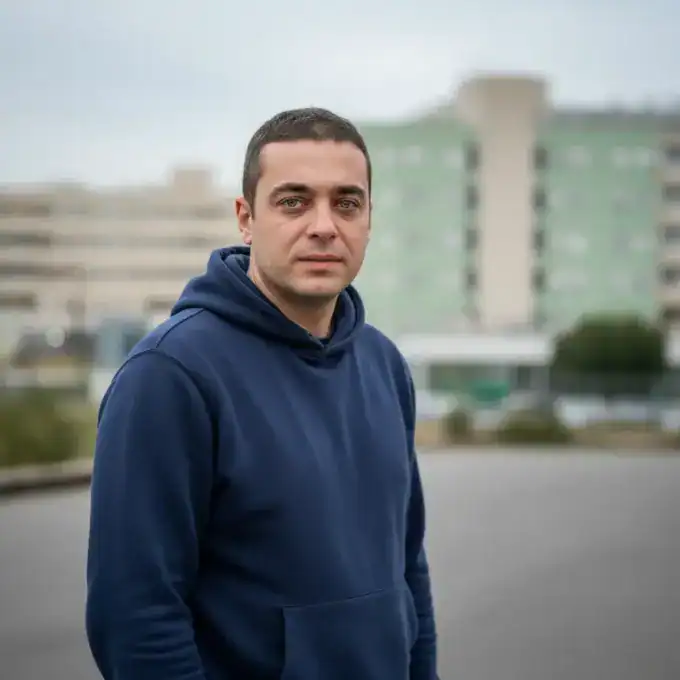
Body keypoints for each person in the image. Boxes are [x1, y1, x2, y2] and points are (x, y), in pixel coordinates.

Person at [85, 107, 439, 680]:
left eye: (347, 203)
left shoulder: (384, 365)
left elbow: (407, 569)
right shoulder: (170, 375)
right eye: (294, 202)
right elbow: (135, 616)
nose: (324, 226)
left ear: (369, 218)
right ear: (246, 219)